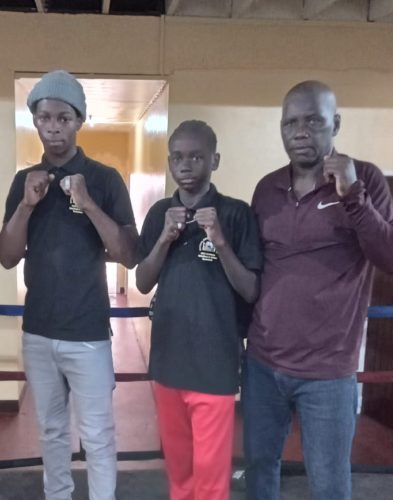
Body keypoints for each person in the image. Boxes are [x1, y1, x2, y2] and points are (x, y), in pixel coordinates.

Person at [243, 80, 393, 500]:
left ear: (334, 123)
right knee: (260, 471)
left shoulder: (365, 178)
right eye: (290, 123)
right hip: (263, 362)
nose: (300, 132)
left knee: (329, 484)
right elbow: (256, 270)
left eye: (313, 121)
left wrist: (354, 196)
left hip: (328, 373)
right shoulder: (267, 189)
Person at [0, 70, 138, 500]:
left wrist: (89, 203)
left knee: (97, 433)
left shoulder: (105, 178)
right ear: (35, 122)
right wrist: (25, 204)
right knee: (51, 430)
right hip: (38, 329)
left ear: (79, 121)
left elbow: (129, 254)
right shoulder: (25, 181)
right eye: (44, 118)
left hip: (88, 331)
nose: (53, 127)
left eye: (63, 117)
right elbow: (5, 256)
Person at [136, 120, 262, 500]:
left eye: (196, 157)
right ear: (170, 162)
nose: (186, 165)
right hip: (167, 360)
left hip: (215, 363)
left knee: (209, 477)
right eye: (178, 157)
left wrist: (221, 242)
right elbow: (142, 281)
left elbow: (251, 289)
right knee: (180, 472)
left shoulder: (237, 214)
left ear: (215, 160)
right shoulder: (160, 212)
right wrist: (163, 240)